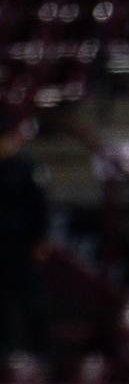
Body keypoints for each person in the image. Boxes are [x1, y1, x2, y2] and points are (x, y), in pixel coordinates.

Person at [0, 121, 49, 356]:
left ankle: (40, 351)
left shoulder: (25, 168)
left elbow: (39, 207)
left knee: (31, 301)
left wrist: (39, 241)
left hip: (21, 245)